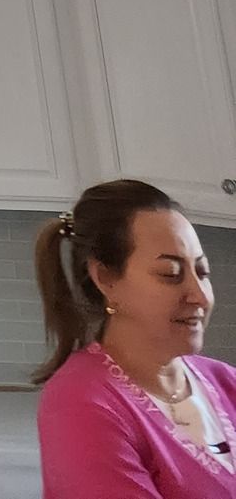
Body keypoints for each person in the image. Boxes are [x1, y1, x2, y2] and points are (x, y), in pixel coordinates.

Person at [34, 176, 236, 493]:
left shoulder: (226, 383)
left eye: (202, 272)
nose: (198, 295)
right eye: (171, 275)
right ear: (105, 279)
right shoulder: (83, 406)